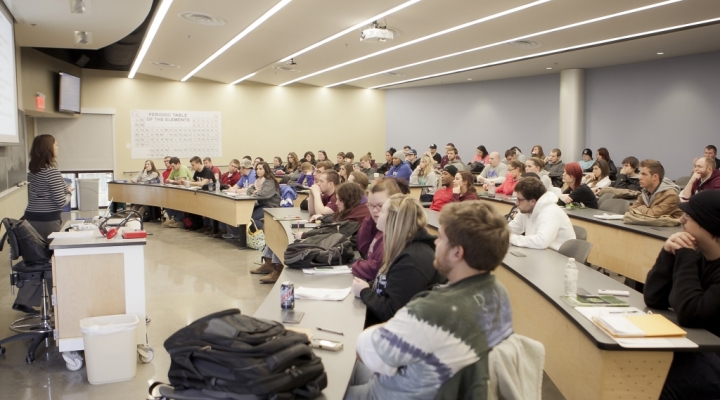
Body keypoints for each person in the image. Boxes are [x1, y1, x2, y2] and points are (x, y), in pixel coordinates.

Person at [345, 201, 513, 400]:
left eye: (441, 238)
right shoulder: (498, 293)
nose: (435, 243)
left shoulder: (431, 310)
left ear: (457, 253)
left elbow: (365, 351)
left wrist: (384, 328)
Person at [643, 190, 720, 399]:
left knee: (654, 381)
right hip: (697, 350)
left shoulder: (693, 256)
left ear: (708, 223)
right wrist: (668, 254)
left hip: (712, 361)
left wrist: (685, 255)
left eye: (689, 216)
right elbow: (654, 299)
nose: (681, 219)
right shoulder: (698, 255)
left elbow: (690, 312)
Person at [351, 194, 444, 329]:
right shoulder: (401, 246)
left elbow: (393, 312)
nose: (377, 214)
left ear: (392, 219)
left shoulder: (413, 260)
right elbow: (388, 284)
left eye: (382, 210)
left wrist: (365, 292)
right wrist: (369, 285)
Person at [353, 178, 403, 281]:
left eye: (380, 206)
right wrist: (370, 219)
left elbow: (374, 269)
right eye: (370, 205)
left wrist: (356, 264)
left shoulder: (396, 232)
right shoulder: (380, 226)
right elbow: (363, 248)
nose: (374, 210)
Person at [24, 134, 71, 242]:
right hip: (47, 218)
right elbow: (61, 201)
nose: (57, 148)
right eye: (56, 145)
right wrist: (69, 194)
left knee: (36, 250)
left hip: (31, 215)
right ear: (48, 148)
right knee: (51, 251)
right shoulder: (51, 171)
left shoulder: (33, 171)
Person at [509, 176, 576, 250]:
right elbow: (510, 229)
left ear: (532, 201)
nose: (517, 203)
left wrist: (511, 238)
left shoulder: (550, 212)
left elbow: (541, 241)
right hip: (539, 253)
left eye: (519, 200)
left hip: (557, 257)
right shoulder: (526, 210)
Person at [246, 162, 281, 230]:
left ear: (266, 170)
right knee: (245, 216)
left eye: (260, 169)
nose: (258, 170)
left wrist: (255, 192)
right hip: (260, 204)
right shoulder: (258, 181)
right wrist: (254, 191)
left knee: (251, 220)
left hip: (270, 206)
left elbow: (264, 194)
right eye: (257, 169)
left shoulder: (270, 181)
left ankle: (266, 231)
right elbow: (249, 190)